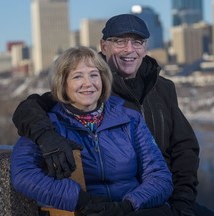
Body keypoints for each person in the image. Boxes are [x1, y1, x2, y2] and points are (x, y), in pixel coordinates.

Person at [12, 14, 214, 216]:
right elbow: (29, 110)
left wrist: (183, 199)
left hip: (155, 197)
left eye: (137, 42)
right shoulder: (83, 95)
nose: (129, 49)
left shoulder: (160, 90)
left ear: (145, 47)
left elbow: (184, 148)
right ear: (104, 46)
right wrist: (46, 136)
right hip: (116, 205)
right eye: (120, 42)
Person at [11, 46, 173, 216]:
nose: (88, 83)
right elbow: (23, 174)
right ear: (63, 83)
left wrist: (128, 205)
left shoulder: (129, 118)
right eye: (77, 76)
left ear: (103, 80)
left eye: (94, 75)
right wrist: (79, 200)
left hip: (131, 211)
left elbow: (159, 175)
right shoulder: (48, 124)